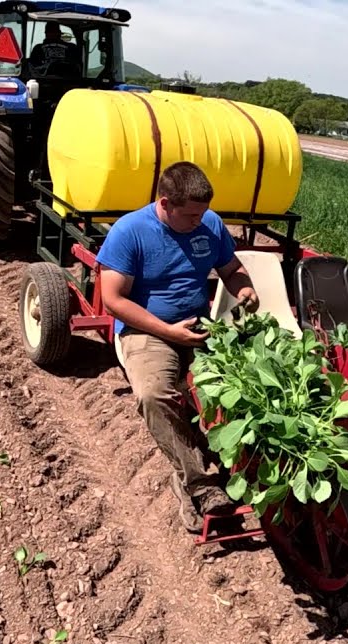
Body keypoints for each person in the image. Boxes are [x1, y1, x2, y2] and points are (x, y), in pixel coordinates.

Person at [96, 162, 260, 532]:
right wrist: (169, 332)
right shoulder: (130, 232)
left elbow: (230, 268)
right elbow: (114, 300)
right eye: (190, 215)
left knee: (246, 387)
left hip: (199, 324)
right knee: (154, 395)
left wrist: (244, 288)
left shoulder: (209, 224)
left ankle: (245, 465)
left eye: (202, 214)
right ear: (165, 203)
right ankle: (199, 485)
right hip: (148, 330)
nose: (199, 222)